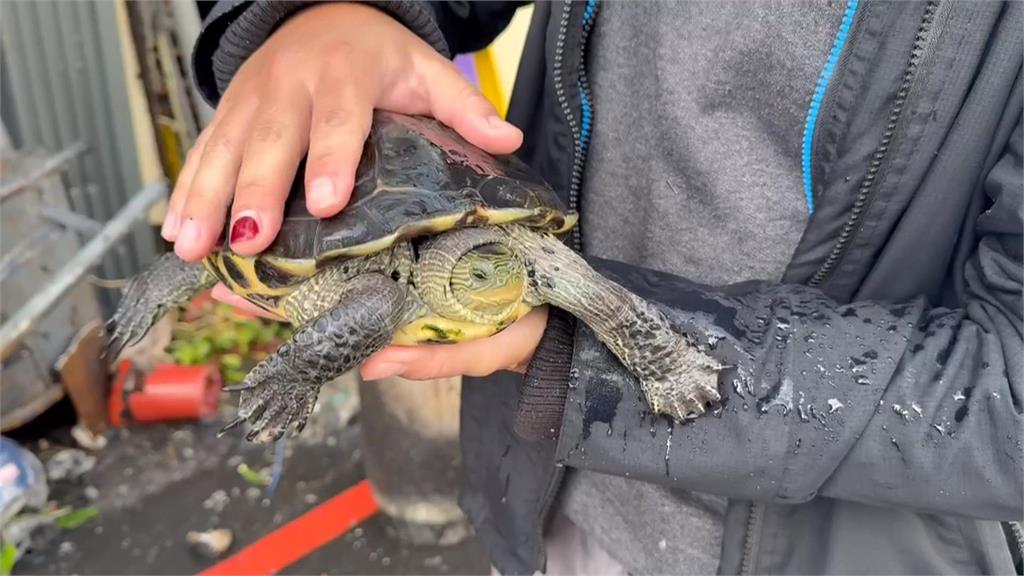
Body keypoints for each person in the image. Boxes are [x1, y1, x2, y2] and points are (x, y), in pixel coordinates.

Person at [170, 1, 1023, 574]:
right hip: (551, 498)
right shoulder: (495, 266)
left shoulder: (529, 268)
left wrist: (649, 358)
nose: (502, 274)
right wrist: (316, 14)